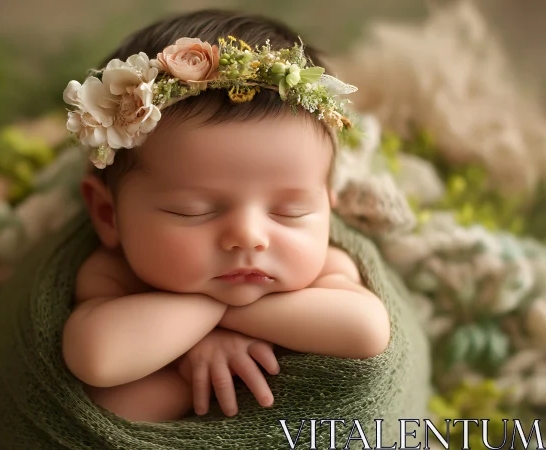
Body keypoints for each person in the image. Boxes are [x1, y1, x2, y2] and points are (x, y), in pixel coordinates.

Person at [60, 9, 391, 423]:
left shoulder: (328, 266)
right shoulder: (112, 274)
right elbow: (97, 360)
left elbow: (367, 330)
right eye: (192, 210)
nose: (249, 236)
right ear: (109, 216)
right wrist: (198, 340)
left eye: (290, 211)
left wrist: (220, 315)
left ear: (328, 206)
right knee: (132, 399)